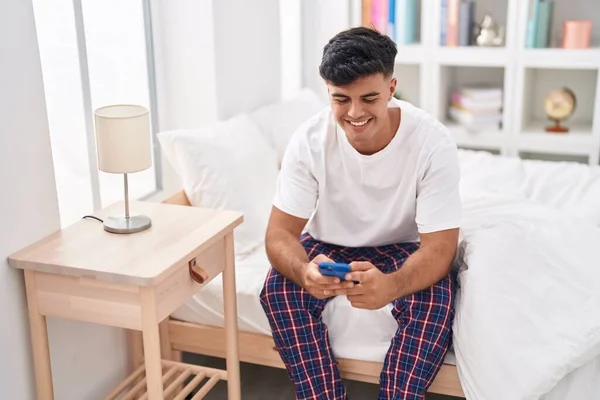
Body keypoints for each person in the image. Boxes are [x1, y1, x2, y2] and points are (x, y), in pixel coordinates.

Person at [259, 26, 461, 400]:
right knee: (277, 290)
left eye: (369, 98)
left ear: (391, 88)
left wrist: (392, 285)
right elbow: (279, 235)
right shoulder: (308, 140)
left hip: (402, 244)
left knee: (435, 298)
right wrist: (305, 272)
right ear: (328, 92)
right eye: (341, 100)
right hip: (327, 244)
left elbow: (441, 248)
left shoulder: (433, 143)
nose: (354, 113)